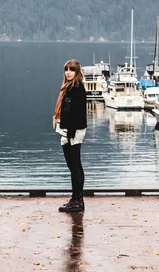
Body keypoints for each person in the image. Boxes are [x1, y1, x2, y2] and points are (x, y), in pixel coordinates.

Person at [53, 59, 87, 213]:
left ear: (77, 72)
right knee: (73, 166)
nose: (68, 72)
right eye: (66, 69)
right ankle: (75, 198)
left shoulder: (77, 88)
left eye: (72, 70)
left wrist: (71, 132)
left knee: (75, 166)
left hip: (74, 131)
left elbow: (78, 112)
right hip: (68, 130)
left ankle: (78, 200)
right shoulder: (69, 87)